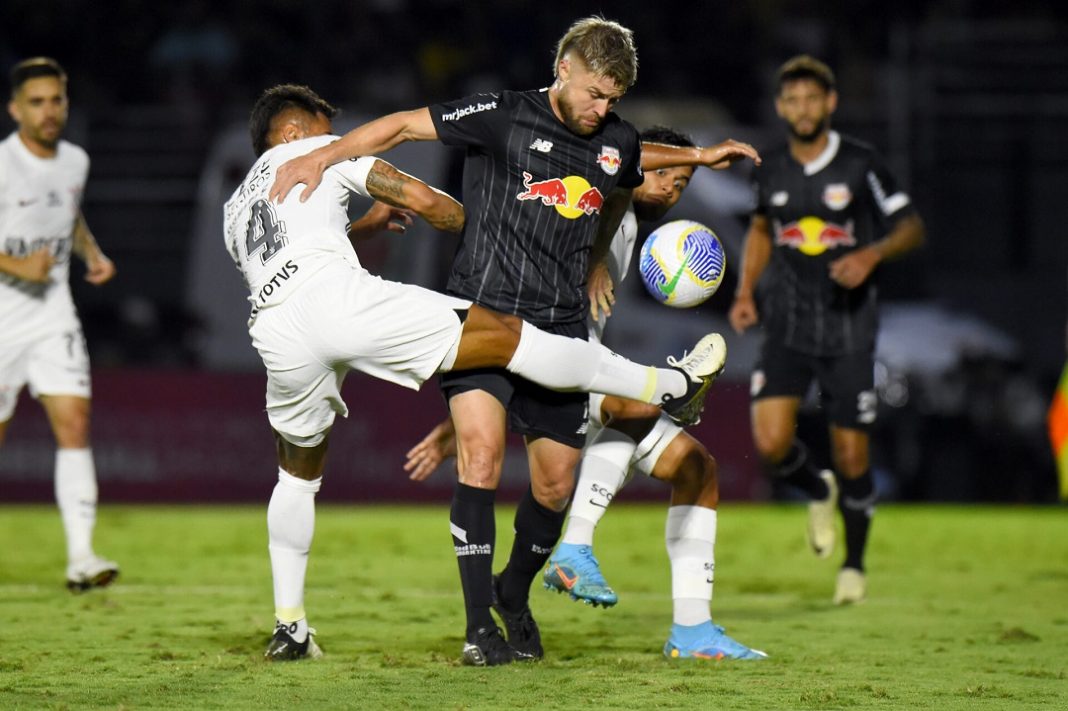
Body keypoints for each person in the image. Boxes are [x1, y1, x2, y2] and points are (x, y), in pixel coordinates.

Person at [269, 16, 760, 667]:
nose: (601, 109)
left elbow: (624, 173)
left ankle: (513, 591)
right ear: (564, 70)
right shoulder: (502, 114)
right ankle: (480, 629)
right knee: (481, 457)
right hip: (484, 320)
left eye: (612, 98)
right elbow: (399, 125)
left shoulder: (613, 140)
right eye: (593, 92)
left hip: (557, 329)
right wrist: (324, 155)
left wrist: (682, 169)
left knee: (555, 484)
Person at [406, 125, 767, 661]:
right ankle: (576, 545)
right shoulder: (594, 206)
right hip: (556, 367)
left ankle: (690, 629)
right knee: (635, 403)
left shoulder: (630, 230)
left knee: (696, 469)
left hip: (581, 368)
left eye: (683, 183)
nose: (672, 189)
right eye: (666, 174)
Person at [728, 55, 925, 604]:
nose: (802, 108)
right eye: (792, 100)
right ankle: (817, 489)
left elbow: (910, 226)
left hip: (848, 329)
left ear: (830, 103)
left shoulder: (862, 165)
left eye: (812, 98)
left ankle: (854, 565)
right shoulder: (769, 168)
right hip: (786, 324)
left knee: (854, 456)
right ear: (779, 107)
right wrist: (745, 292)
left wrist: (871, 255)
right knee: (769, 445)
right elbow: (764, 231)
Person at [0, 57, 119, 592]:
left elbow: (67, 215)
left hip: (53, 313)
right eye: (38, 101)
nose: (50, 111)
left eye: (57, 100)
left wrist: (91, 253)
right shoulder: (2, 163)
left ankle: (82, 557)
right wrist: (15, 264)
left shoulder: (76, 160)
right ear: (15, 108)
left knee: (74, 424)